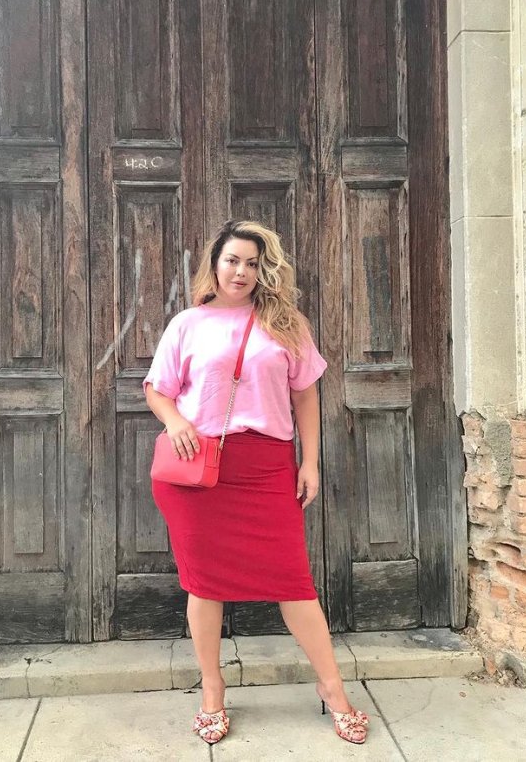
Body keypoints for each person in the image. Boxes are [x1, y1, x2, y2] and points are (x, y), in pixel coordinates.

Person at [143, 220, 369, 746]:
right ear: (214, 264)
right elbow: (158, 388)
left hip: (267, 465)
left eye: (251, 262)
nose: (240, 272)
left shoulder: (286, 323)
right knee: (204, 584)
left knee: (294, 582)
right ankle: (213, 691)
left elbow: (306, 396)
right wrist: (175, 422)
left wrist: (309, 463)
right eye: (231, 261)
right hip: (201, 470)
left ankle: (332, 689)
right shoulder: (188, 324)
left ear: (264, 269)